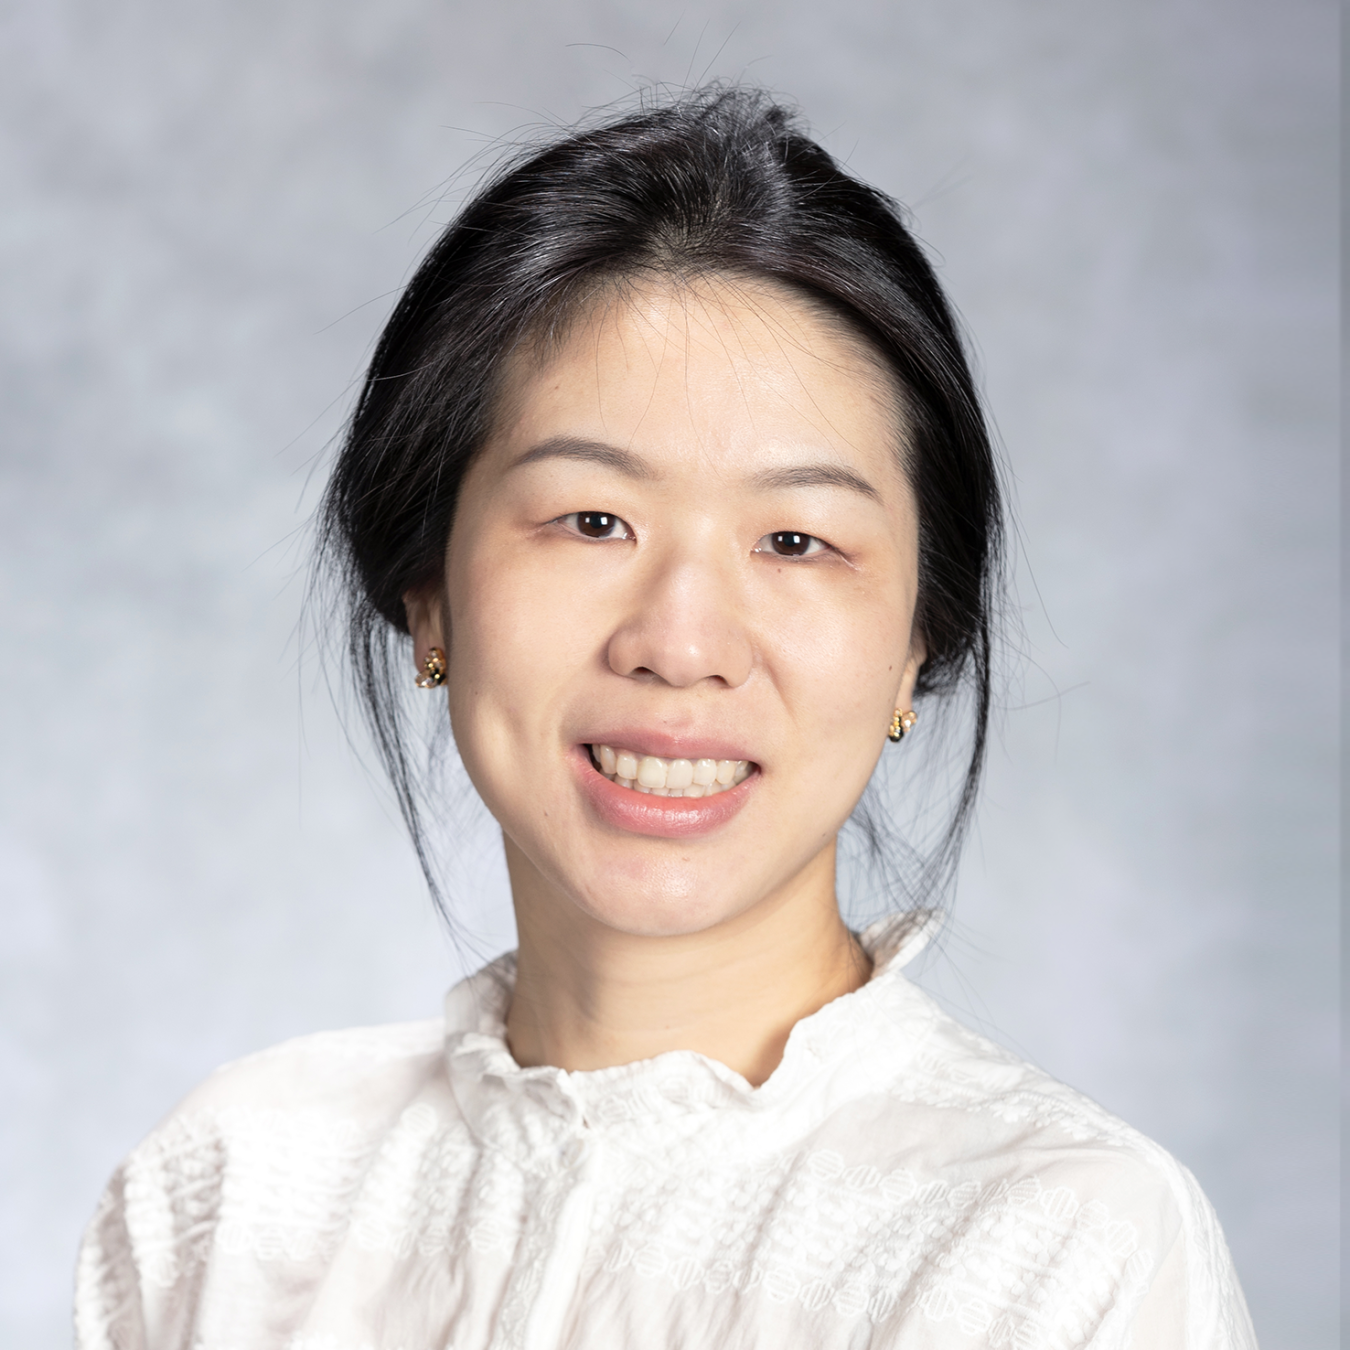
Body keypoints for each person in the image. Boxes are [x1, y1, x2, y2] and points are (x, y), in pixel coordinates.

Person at [75, 87, 1257, 1349]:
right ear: (428, 593)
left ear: (919, 646)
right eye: (593, 521)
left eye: (796, 541)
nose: (680, 645)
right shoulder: (230, 1196)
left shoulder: (1061, 1253)